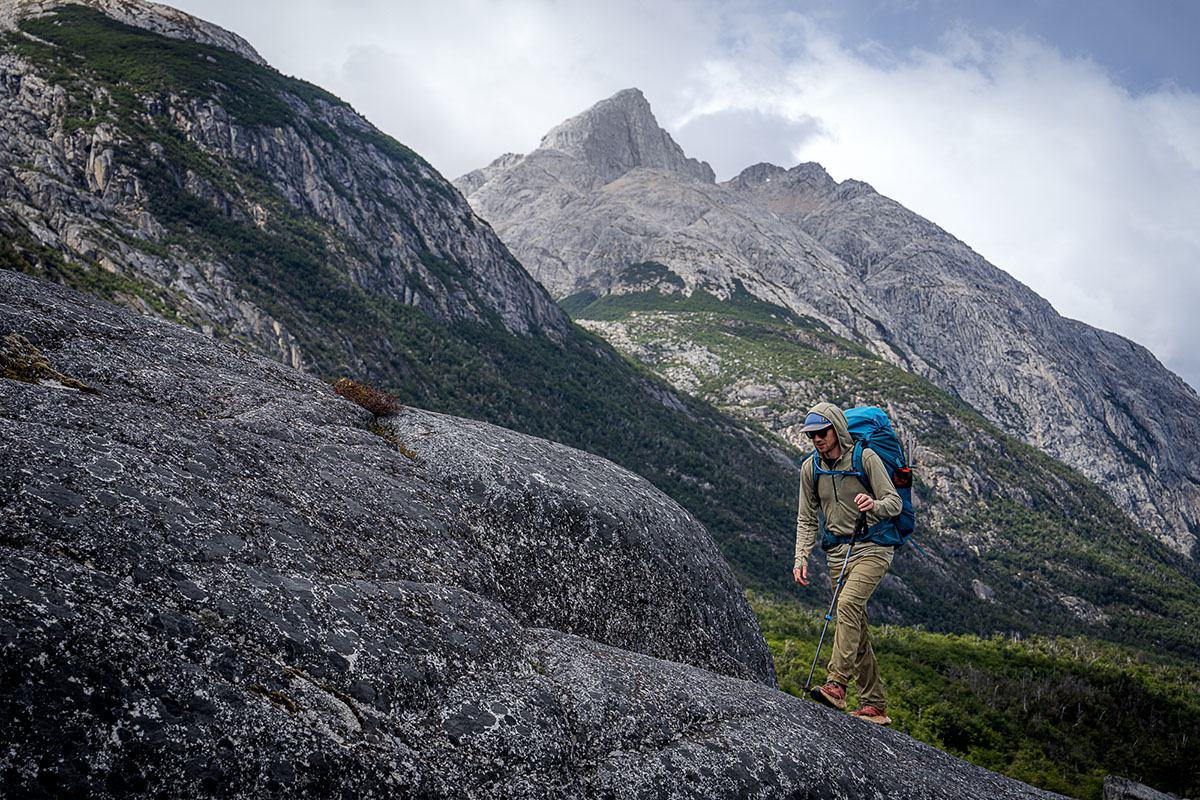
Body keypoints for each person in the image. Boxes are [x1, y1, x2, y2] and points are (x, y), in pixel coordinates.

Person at [794, 402, 902, 725]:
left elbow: (893, 502)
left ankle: (837, 685)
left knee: (848, 605)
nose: (817, 440)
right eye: (812, 435)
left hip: (873, 547)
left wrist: (874, 505)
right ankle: (875, 705)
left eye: (822, 433)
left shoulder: (864, 459)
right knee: (856, 627)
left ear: (837, 430)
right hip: (837, 553)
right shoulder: (810, 469)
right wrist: (801, 557)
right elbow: (806, 518)